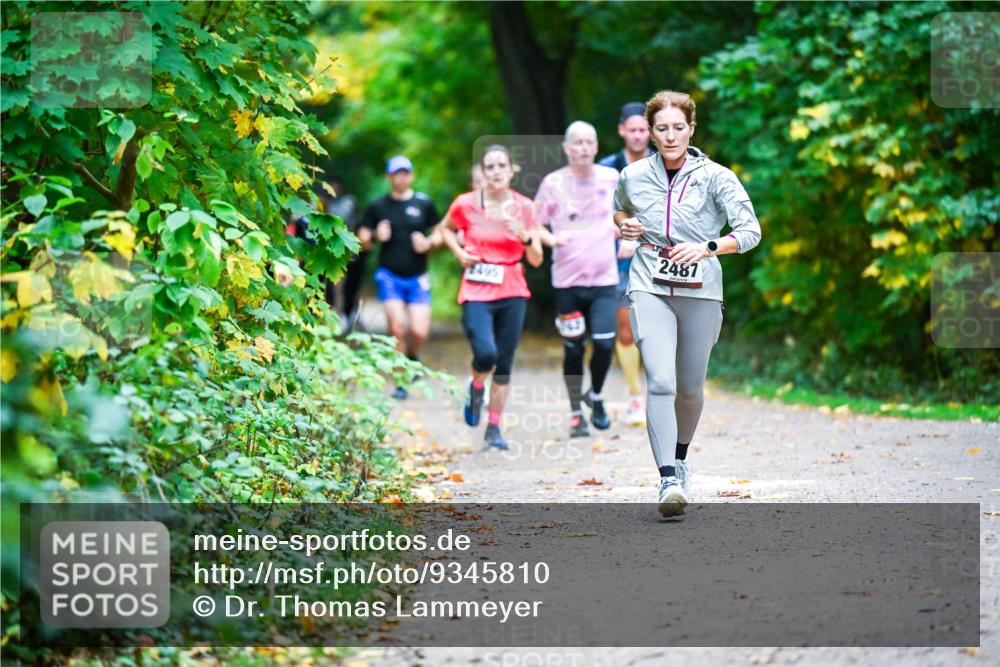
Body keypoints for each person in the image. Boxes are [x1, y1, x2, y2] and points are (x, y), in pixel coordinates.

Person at [613, 91, 761, 517]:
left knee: (690, 388)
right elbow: (619, 211)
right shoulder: (633, 175)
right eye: (662, 128)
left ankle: (680, 459)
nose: (671, 136)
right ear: (650, 133)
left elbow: (750, 231)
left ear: (692, 129)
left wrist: (708, 247)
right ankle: (666, 479)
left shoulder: (717, 177)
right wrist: (627, 226)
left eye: (679, 127)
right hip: (649, 284)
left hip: (702, 289)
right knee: (661, 382)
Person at [440, 145, 544, 450]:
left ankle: (494, 429)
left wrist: (525, 236)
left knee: (504, 362)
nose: (496, 171)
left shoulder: (525, 207)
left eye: (501, 166)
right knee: (486, 354)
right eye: (490, 166)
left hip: (512, 289)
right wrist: (459, 253)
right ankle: (476, 387)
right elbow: (446, 229)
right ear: (483, 172)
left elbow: (536, 259)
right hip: (477, 289)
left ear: (512, 170)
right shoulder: (465, 204)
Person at [535, 121, 620, 438]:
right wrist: (551, 239)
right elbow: (534, 224)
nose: (584, 148)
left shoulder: (612, 178)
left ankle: (595, 395)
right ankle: (575, 413)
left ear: (596, 147)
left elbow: (628, 215)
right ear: (567, 148)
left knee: (604, 344)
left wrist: (627, 237)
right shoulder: (553, 183)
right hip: (567, 283)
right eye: (578, 143)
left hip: (603, 280)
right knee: (573, 349)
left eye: (589, 142)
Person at [357, 156, 440, 399]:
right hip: (389, 275)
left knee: (419, 331)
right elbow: (362, 239)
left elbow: (441, 233)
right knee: (396, 327)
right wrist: (375, 235)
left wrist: (428, 243)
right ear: (389, 177)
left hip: (418, 277)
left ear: (411, 176)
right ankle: (401, 382)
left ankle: (412, 357)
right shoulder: (378, 206)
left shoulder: (424, 203)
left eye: (405, 173)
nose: (401, 178)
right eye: (396, 174)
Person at [599, 103, 656, 426]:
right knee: (625, 328)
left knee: (658, 328)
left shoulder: (665, 162)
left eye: (643, 130)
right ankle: (636, 395)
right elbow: (594, 211)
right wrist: (616, 231)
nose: (637, 136)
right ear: (622, 130)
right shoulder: (606, 169)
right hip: (617, 259)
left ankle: (660, 393)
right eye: (632, 130)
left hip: (659, 256)